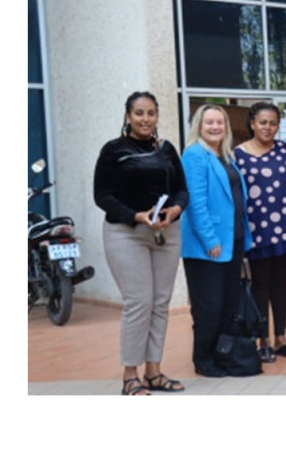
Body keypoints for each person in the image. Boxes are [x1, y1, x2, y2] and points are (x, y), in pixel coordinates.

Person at [94, 92, 189, 397]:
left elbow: (182, 190)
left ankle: (153, 372)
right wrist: (136, 216)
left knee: (160, 302)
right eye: (139, 113)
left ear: (157, 116)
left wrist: (175, 210)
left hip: (166, 232)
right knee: (139, 303)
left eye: (151, 113)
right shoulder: (113, 150)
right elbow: (102, 196)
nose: (145, 119)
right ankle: (129, 377)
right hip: (126, 233)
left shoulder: (167, 149)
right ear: (128, 116)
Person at [234, 102, 286, 364]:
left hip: (285, 232)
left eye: (273, 123)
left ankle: (281, 338)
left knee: (280, 284)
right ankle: (262, 340)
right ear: (252, 124)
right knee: (260, 285)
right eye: (262, 122)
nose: (267, 127)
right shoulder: (237, 155)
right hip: (255, 233)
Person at [180, 104, 253, 379]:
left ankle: (223, 354)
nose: (215, 127)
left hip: (232, 241)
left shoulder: (224, 155)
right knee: (208, 307)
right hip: (207, 246)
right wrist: (210, 239)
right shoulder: (194, 155)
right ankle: (204, 359)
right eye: (209, 122)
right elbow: (195, 203)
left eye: (219, 122)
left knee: (228, 304)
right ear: (199, 126)